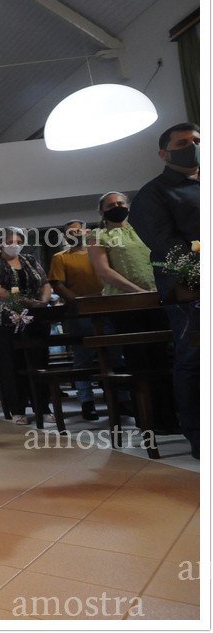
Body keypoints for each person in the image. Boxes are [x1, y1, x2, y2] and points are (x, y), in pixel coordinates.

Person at [130, 123, 200, 457]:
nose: (193, 146)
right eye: (183, 143)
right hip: (189, 286)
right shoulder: (152, 195)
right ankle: (199, 434)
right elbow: (166, 245)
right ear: (164, 153)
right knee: (194, 356)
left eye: (197, 140)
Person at [88, 191, 176, 433]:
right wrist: (137, 291)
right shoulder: (98, 236)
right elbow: (104, 271)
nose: (117, 207)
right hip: (125, 303)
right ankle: (148, 420)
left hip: (155, 300)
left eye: (121, 203)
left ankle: (170, 418)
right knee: (139, 361)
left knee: (162, 359)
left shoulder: (141, 230)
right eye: (111, 205)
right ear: (102, 211)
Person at [0, 228, 53, 424]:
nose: (15, 245)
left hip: (34, 318)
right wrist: (24, 301)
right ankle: (17, 409)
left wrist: (43, 301)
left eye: (19, 241)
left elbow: (45, 283)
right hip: (5, 320)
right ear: (1, 243)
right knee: (12, 364)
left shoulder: (29, 260)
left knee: (39, 361)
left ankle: (43, 407)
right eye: (10, 241)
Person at [48, 220, 104, 421]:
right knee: (82, 358)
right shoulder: (61, 257)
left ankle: (121, 398)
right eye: (70, 232)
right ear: (65, 236)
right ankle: (87, 401)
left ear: (86, 231)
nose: (75, 234)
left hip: (105, 308)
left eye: (78, 230)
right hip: (78, 313)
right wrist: (80, 302)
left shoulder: (99, 252)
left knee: (114, 355)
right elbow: (58, 285)